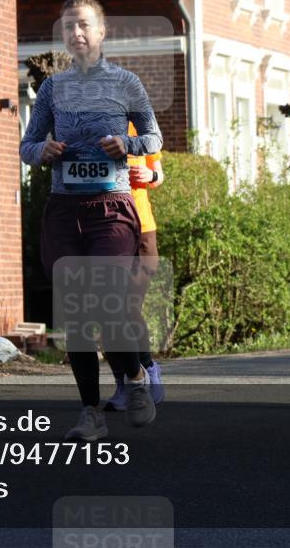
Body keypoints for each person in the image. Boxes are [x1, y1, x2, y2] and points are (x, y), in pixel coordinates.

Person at [20, 0, 163, 441]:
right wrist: (42, 151)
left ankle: (135, 378)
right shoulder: (52, 88)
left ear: (101, 32)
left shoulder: (126, 84)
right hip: (64, 210)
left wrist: (129, 145)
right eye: (68, 27)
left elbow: (153, 136)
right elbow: (27, 147)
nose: (76, 33)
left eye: (84, 25)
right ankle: (90, 411)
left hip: (112, 209)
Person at [105, 122, 165, 411]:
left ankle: (148, 368)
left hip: (142, 228)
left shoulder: (138, 127)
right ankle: (124, 383)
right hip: (106, 227)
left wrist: (150, 174)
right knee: (107, 310)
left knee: (128, 307)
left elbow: (158, 175)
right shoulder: (91, 125)